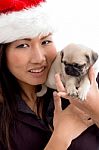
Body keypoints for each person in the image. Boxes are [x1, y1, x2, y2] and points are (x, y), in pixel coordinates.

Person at [0, 0, 99, 150]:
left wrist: (96, 109)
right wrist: (61, 136)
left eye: (46, 41)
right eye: (23, 45)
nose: (39, 58)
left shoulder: (91, 84)